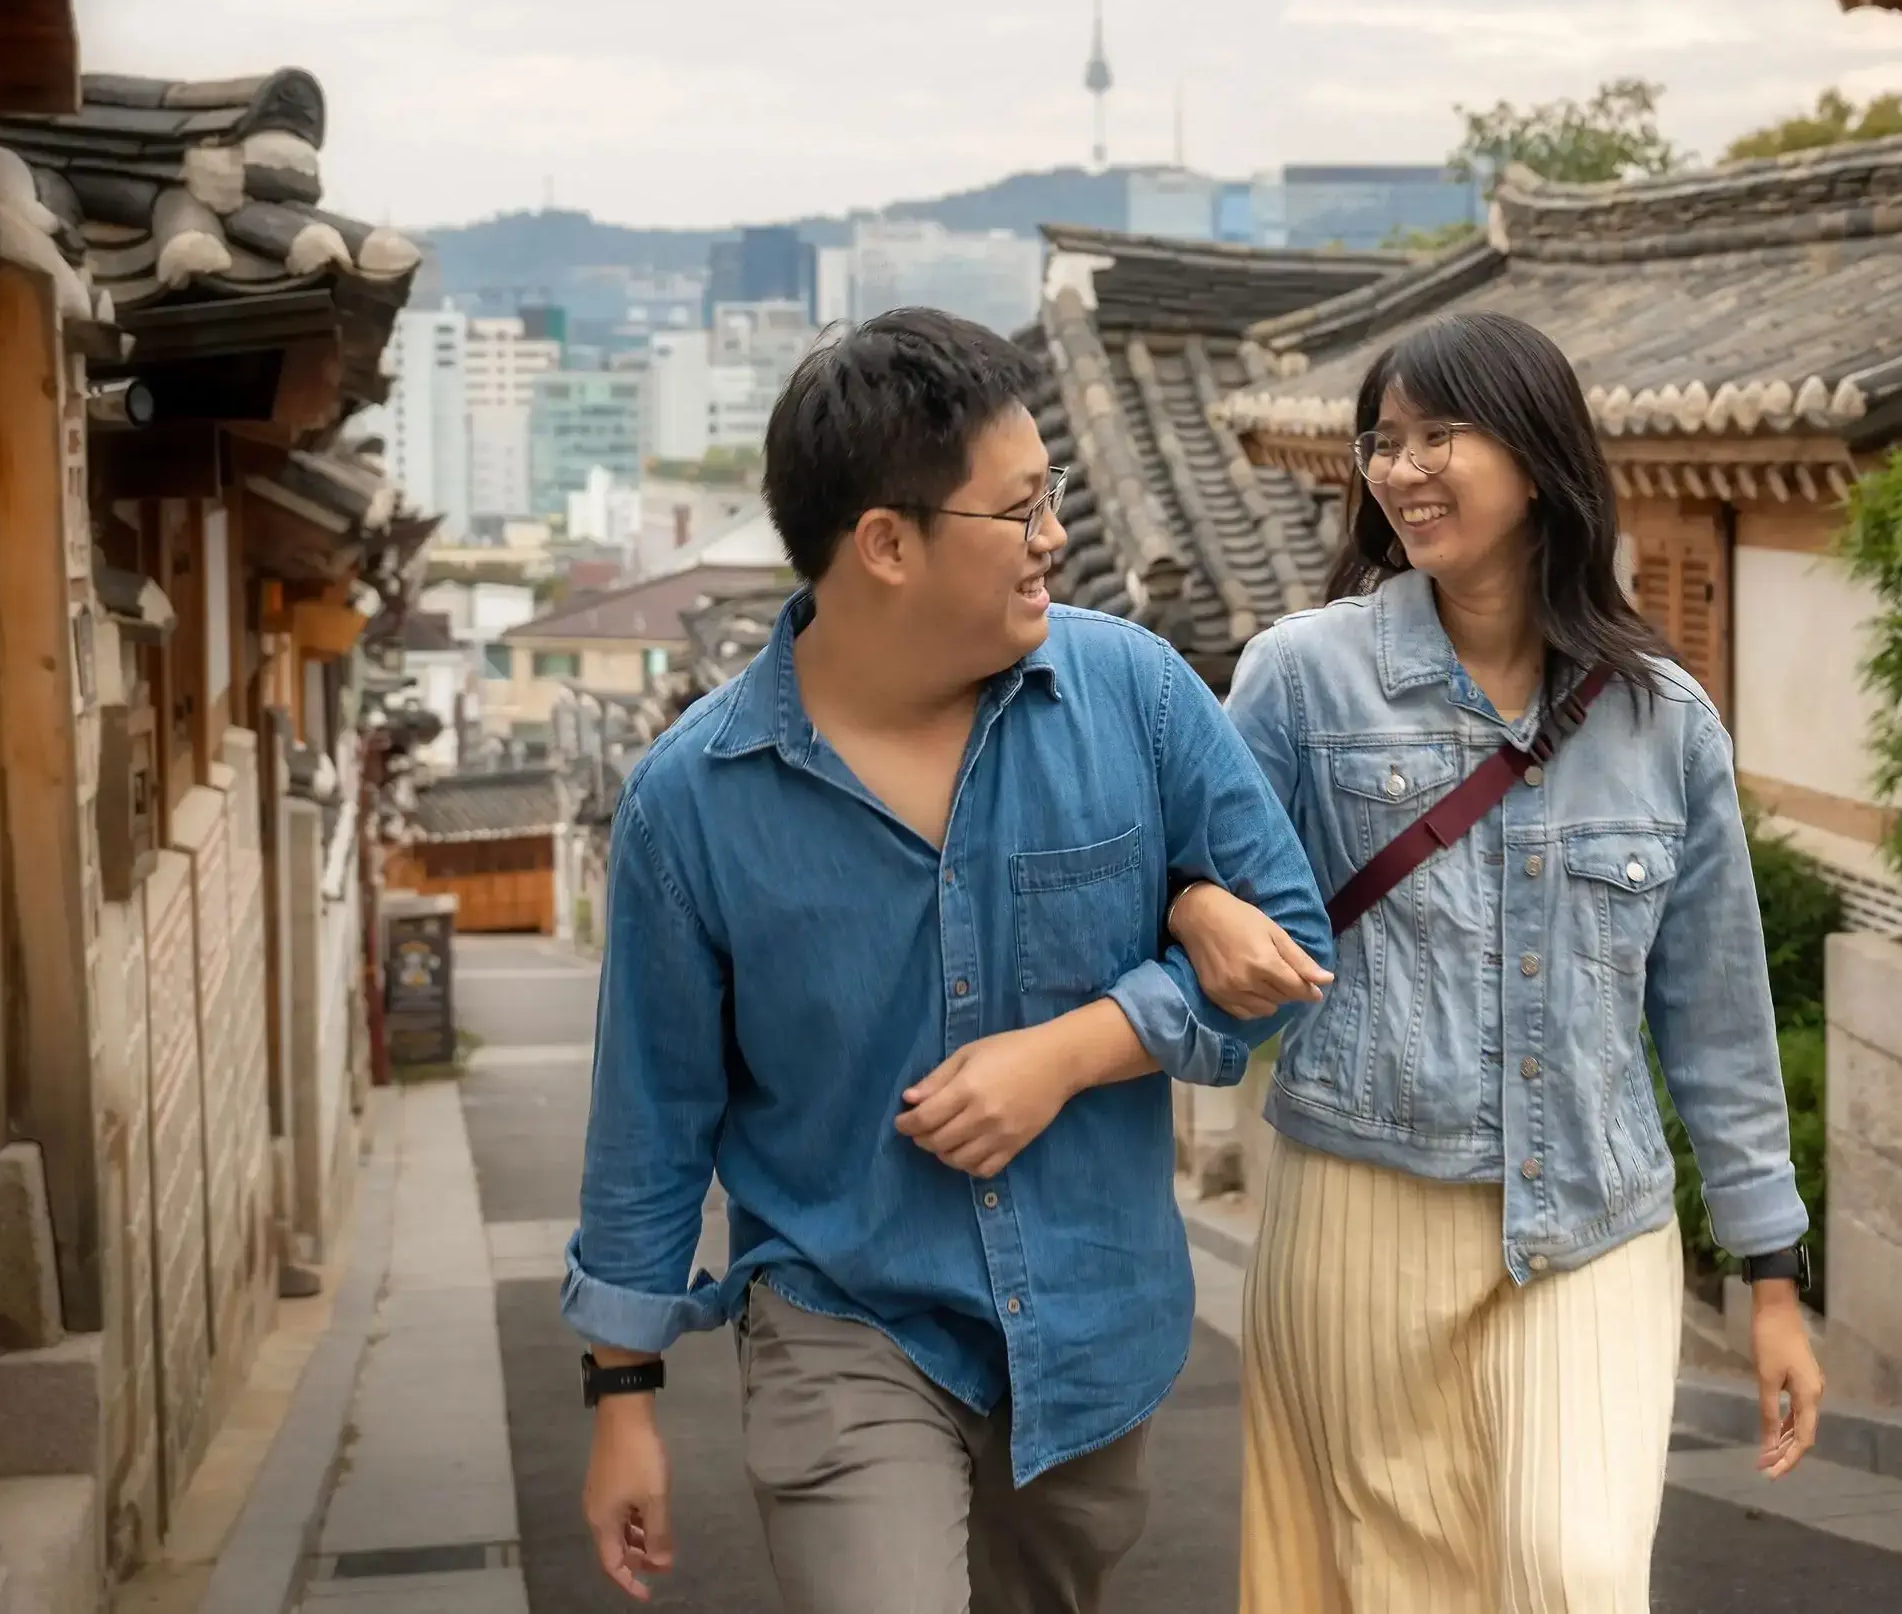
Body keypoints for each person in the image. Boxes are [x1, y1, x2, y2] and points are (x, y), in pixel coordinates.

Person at [563, 308, 1333, 1614]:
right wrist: (623, 1396)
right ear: (886, 543)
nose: (1055, 537)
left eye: (1050, 497)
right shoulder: (691, 801)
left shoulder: (1138, 696)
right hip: (840, 1316)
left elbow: (1293, 946)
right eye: (1019, 509)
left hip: (1088, 1326)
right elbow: (651, 1113)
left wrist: (1078, 1046)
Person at [1169, 310, 1823, 1614]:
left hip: (1595, 1217)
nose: (1402, 468)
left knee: (1575, 1573)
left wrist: (1771, 1278)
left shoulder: (1664, 721)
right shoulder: (1302, 680)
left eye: (1439, 435)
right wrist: (1191, 906)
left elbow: (1719, 1021)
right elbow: (1187, 879)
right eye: (1384, 441)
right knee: (1396, 1586)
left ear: (1536, 460)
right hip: (1363, 1207)